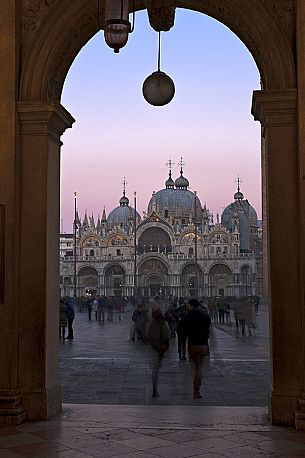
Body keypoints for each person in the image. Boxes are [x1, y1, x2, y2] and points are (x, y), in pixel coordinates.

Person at [182, 298, 211, 399]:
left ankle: (195, 387)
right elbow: (208, 329)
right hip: (203, 344)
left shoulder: (188, 315)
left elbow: (184, 330)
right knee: (199, 367)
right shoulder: (206, 315)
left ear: (191, 305)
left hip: (192, 344)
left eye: (188, 305)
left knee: (194, 367)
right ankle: (197, 389)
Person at [146, 305, 170, 398]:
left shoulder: (150, 323)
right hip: (160, 349)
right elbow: (167, 334)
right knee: (157, 367)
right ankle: (154, 389)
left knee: (155, 368)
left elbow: (147, 334)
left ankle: (154, 387)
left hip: (152, 348)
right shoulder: (163, 323)